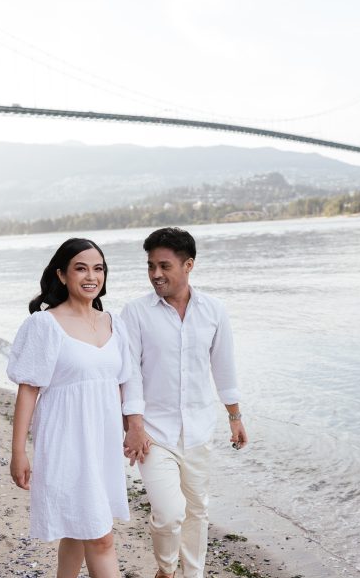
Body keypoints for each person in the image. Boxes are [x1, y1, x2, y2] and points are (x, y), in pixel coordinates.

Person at [121, 227, 248, 578]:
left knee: (196, 510)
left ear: (188, 265)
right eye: (150, 266)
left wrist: (234, 416)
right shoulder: (134, 313)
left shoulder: (214, 310)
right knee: (168, 513)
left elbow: (223, 365)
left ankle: (192, 575)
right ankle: (166, 569)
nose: (156, 274)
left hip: (198, 429)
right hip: (153, 432)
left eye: (164, 266)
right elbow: (129, 374)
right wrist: (134, 426)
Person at [8, 237, 133, 578]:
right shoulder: (45, 325)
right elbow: (28, 390)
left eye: (98, 268)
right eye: (81, 268)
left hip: (102, 443)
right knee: (101, 538)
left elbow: (124, 383)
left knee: (79, 531)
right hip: (68, 441)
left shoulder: (113, 323)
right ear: (62, 275)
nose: (91, 276)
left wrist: (133, 428)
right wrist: (18, 451)